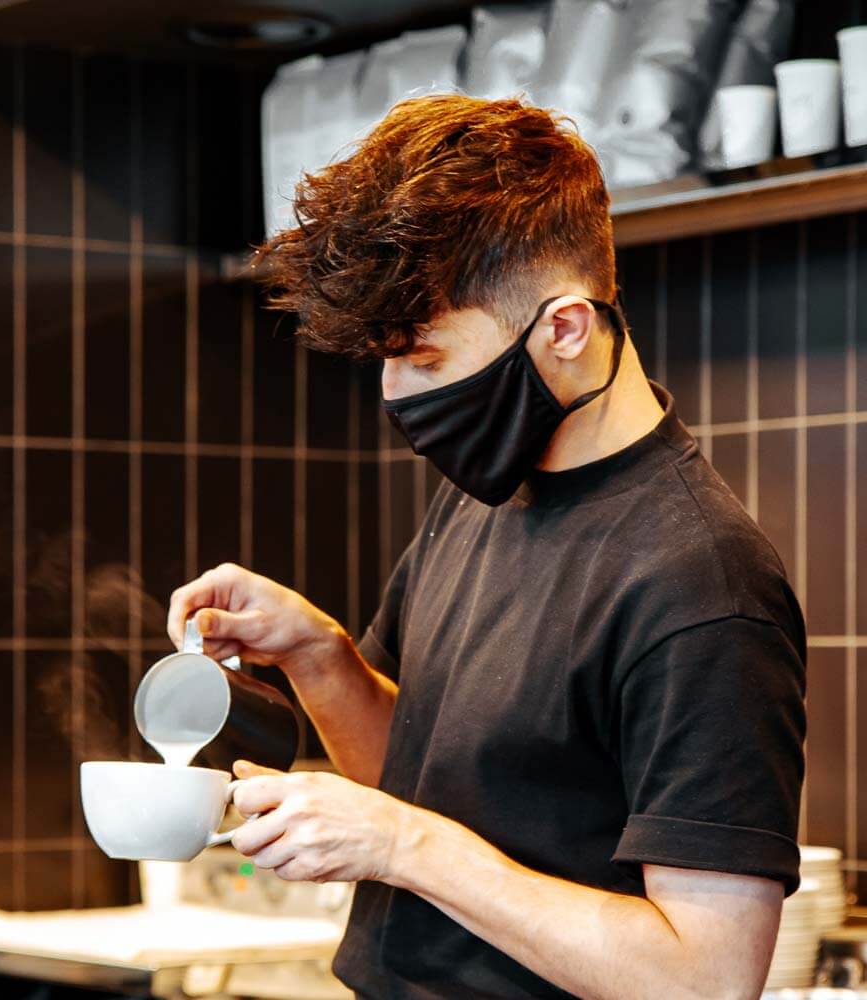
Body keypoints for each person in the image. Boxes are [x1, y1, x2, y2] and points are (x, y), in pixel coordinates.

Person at [166, 95, 806, 1000]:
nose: (399, 393)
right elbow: (420, 772)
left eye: (426, 359)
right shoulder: (484, 493)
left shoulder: (701, 580)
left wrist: (403, 845)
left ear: (567, 329)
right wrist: (321, 657)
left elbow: (703, 977)